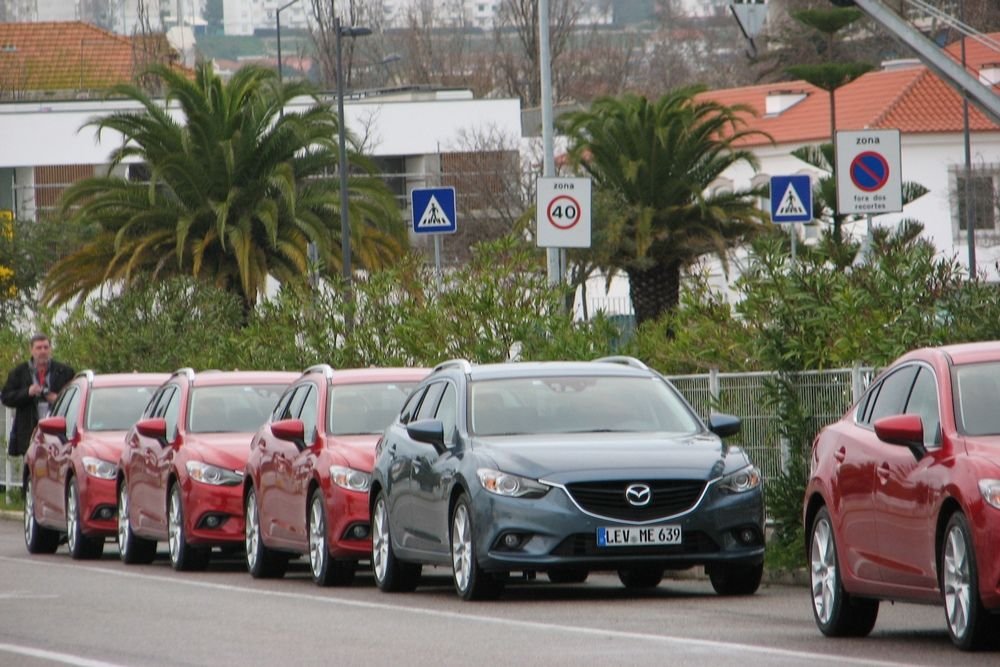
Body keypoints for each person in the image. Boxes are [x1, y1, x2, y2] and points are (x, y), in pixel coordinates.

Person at [1, 333, 75, 457]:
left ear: (51, 349)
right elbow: (6, 398)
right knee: (31, 472)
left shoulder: (65, 371)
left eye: (46, 347)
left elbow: (76, 398)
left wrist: (59, 400)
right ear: (31, 350)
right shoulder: (19, 372)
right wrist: (27, 392)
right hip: (29, 432)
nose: (43, 351)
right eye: (39, 348)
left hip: (59, 433)